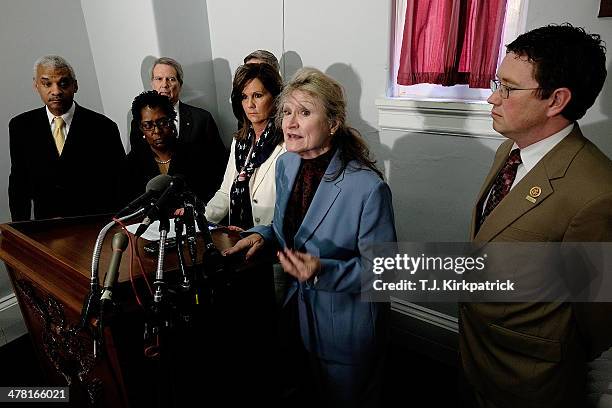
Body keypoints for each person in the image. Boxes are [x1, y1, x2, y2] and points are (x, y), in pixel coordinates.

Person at [460, 24, 612, 408]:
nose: (493, 97)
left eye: (509, 88)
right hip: (481, 353)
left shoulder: (597, 192)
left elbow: (596, 319)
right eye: (498, 82)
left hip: (531, 378)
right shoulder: (510, 152)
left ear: (556, 100)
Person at [225, 67, 397, 406]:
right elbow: (285, 228)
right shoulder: (287, 164)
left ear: (332, 124)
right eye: (287, 112)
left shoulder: (368, 188)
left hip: (347, 329)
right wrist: (262, 235)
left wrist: (323, 270)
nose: (290, 123)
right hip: (298, 317)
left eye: (304, 113)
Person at [8, 55, 126, 221]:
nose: (56, 91)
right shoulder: (21, 126)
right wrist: (21, 231)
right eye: (47, 83)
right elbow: (19, 185)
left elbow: (119, 185)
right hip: (45, 229)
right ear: (36, 86)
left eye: (63, 83)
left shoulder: (103, 127)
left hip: (91, 228)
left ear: (75, 85)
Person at [204, 62, 285, 230]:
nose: (250, 105)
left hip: (269, 239)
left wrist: (261, 235)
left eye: (257, 95)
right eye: (244, 97)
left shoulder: (287, 143)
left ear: (275, 97)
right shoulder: (239, 141)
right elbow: (225, 193)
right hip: (236, 233)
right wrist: (200, 220)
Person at [126, 91, 220, 203]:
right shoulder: (131, 164)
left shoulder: (196, 154)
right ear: (141, 128)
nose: (157, 131)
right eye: (148, 125)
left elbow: (210, 194)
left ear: (172, 121)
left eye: (162, 122)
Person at [130, 57, 227, 161]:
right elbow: (137, 161)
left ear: (180, 84)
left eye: (171, 79)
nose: (164, 85)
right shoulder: (139, 122)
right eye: (159, 79)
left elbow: (219, 160)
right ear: (152, 84)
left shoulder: (202, 118)